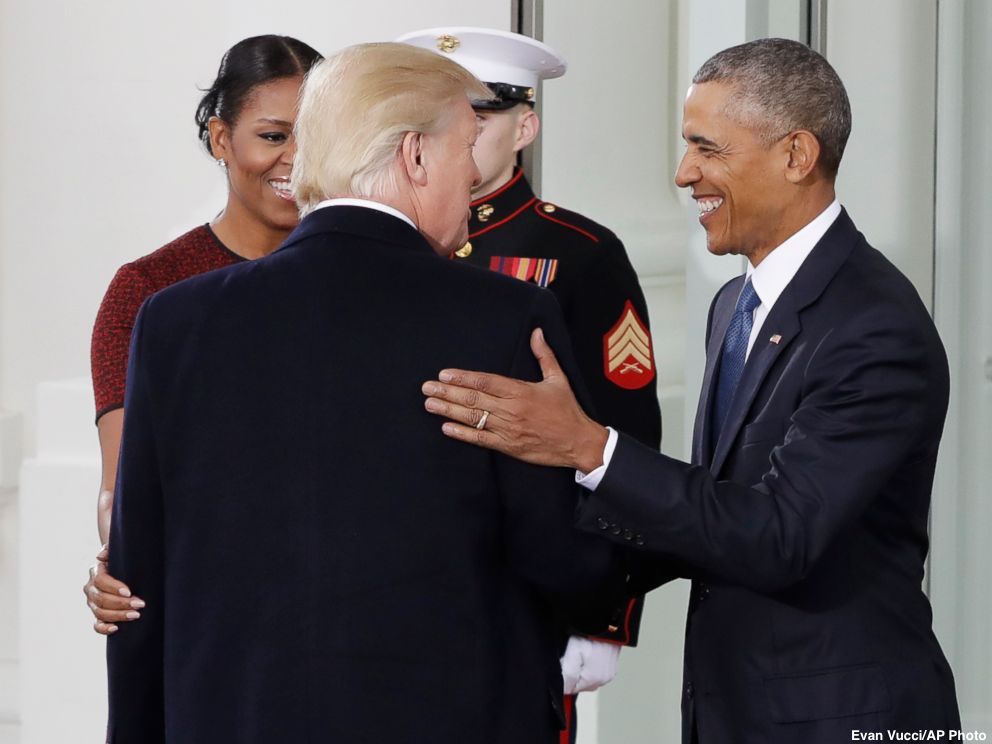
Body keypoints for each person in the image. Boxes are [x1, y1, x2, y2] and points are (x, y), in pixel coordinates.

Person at [422, 37, 960, 743]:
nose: (684, 174)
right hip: (735, 709)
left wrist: (590, 447)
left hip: (843, 719)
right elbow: (711, 513)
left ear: (796, 155)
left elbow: (777, 535)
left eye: (708, 149)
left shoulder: (873, 326)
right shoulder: (735, 302)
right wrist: (520, 584)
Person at [105, 42, 627, 743]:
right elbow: (565, 566)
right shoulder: (506, 320)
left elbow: (137, 593)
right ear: (415, 155)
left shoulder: (173, 323)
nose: (474, 178)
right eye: (466, 147)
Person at [397, 27, 660, 739]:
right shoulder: (391, 243)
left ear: (525, 125)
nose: (457, 131)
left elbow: (622, 435)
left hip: (530, 582)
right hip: (407, 574)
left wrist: (606, 614)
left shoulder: (579, 254)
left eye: (479, 116)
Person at [84, 35, 322, 635]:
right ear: (221, 138)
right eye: (273, 136)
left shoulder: (363, 279)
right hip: (211, 613)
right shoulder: (147, 289)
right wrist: (120, 564)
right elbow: (123, 487)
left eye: (316, 137)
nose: (297, 159)